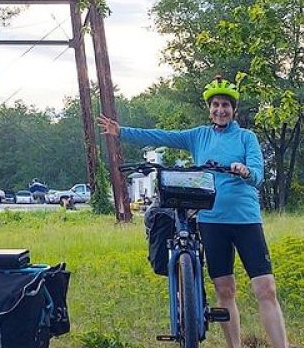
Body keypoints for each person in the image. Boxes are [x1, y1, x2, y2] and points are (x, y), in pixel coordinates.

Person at [97, 75, 289, 348]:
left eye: (225, 105)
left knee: (265, 288)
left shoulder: (247, 138)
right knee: (225, 289)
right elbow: (162, 136)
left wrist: (245, 171)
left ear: (234, 110)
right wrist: (122, 131)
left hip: (246, 220)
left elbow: (258, 175)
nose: (220, 110)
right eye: (215, 105)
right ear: (209, 109)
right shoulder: (199, 136)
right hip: (211, 220)